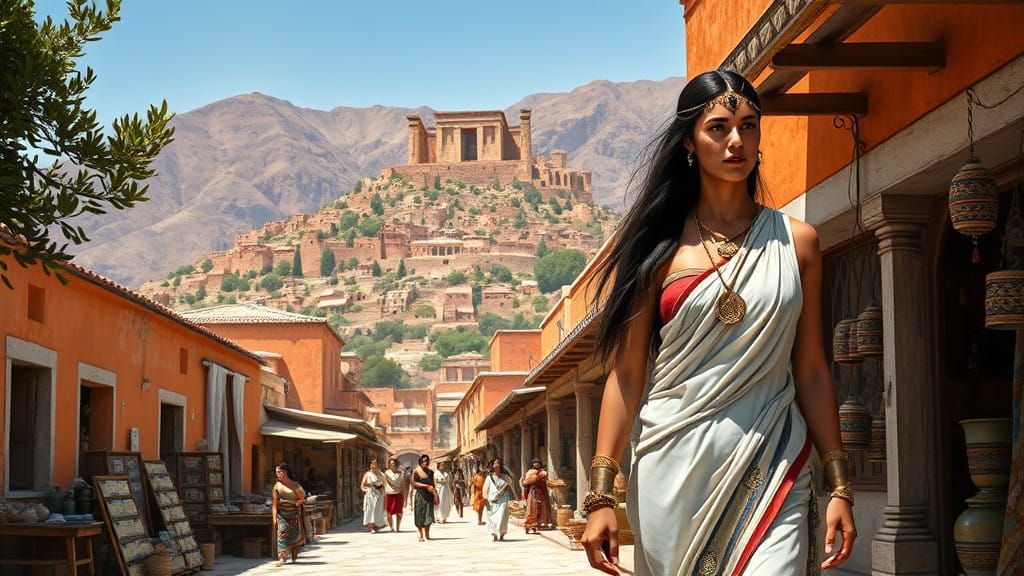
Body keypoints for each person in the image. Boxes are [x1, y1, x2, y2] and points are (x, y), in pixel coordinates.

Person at [579, 70, 857, 576]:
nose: (737, 141)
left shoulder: (797, 244)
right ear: (689, 141)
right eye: (719, 128)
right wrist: (600, 494)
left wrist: (838, 483)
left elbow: (813, 369)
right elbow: (627, 374)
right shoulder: (657, 252)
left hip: (772, 461)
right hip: (672, 471)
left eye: (749, 127)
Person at [271, 463, 305, 566]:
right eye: (276, 472)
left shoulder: (295, 485)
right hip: (282, 515)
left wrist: (297, 503)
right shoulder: (277, 486)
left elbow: (302, 498)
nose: (277, 474)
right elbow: (274, 503)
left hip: (294, 514)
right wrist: (274, 517)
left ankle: (294, 554)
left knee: (294, 536)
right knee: (281, 535)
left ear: (285, 473)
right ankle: (282, 558)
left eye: (278, 472)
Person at [483, 457, 514, 542]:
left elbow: (510, 483)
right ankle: (494, 533)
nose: (496, 464)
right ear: (492, 465)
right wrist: (485, 498)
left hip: (503, 499)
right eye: (494, 463)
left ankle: (501, 534)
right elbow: (485, 488)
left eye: (498, 462)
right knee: (493, 517)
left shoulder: (505, 476)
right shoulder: (489, 477)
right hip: (492, 500)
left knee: (502, 517)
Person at [410, 454, 437, 542]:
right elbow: (414, 484)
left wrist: (436, 495)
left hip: (429, 496)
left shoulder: (431, 472)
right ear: (421, 463)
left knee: (428, 515)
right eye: (424, 461)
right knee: (419, 515)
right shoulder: (416, 472)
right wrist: (426, 486)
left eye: (427, 461)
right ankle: (420, 534)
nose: (426, 463)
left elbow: (433, 484)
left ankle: (427, 534)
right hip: (420, 496)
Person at [523, 457, 552, 534]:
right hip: (533, 493)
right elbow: (526, 483)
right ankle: (528, 525)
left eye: (538, 463)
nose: (537, 464)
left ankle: (536, 525)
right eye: (535, 463)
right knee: (532, 509)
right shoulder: (530, 472)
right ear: (532, 464)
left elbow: (544, 479)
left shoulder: (542, 472)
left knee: (540, 509)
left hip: (541, 492)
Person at [360, 458, 386, 533]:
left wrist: (382, 489)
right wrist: (367, 491)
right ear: (370, 465)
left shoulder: (380, 473)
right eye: (373, 463)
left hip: (379, 494)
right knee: (371, 510)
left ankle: (376, 525)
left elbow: (384, 482)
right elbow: (362, 485)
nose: (375, 464)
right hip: (371, 494)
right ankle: (370, 526)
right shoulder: (368, 474)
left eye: (376, 463)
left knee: (377, 510)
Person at [383, 458, 405, 532]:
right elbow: (385, 483)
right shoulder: (387, 473)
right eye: (391, 464)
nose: (393, 465)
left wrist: (403, 494)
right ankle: (391, 527)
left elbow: (402, 484)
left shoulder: (401, 473)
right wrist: (385, 492)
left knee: (399, 512)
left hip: (398, 493)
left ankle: (398, 527)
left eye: (394, 464)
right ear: (389, 465)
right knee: (389, 512)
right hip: (389, 493)